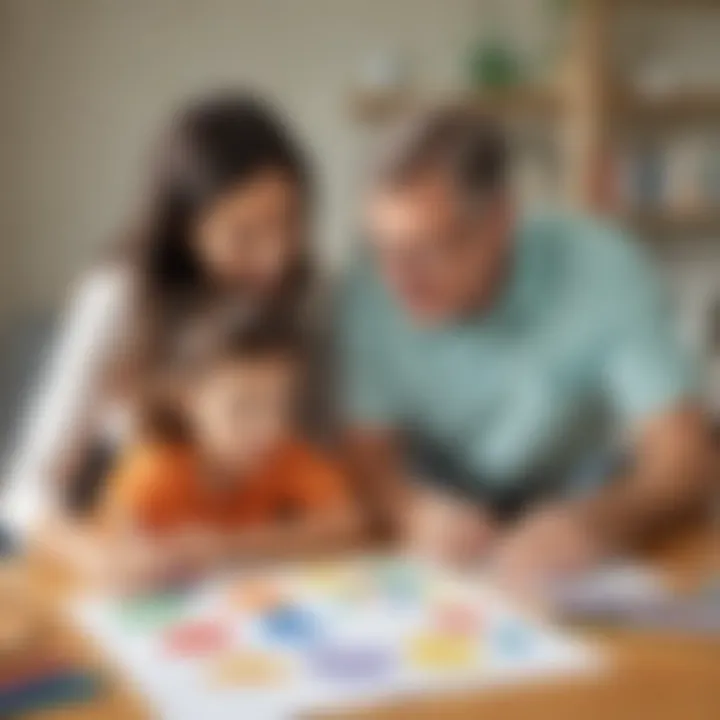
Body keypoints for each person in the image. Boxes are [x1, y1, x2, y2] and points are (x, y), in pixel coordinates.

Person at [341, 106, 716, 589]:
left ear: (500, 221)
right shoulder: (365, 287)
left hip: (579, 487)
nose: (398, 282)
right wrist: (411, 510)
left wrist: (597, 522)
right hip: (439, 494)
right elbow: (369, 458)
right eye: (382, 248)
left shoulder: (603, 266)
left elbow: (684, 457)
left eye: (429, 249)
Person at [2, 91, 315, 543]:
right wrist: (94, 554)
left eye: (288, 223)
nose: (275, 257)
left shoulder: (294, 294)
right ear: (186, 230)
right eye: (243, 234)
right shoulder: (120, 295)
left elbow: (303, 458)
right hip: (111, 537)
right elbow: (24, 490)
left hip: (235, 553)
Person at [86, 313, 357, 591]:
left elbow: (347, 527)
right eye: (244, 407)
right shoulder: (155, 467)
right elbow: (108, 558)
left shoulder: (285, 454)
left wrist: (226, 545)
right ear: (188, 400)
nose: (268, 427)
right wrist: (141, 561)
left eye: (281, 405)